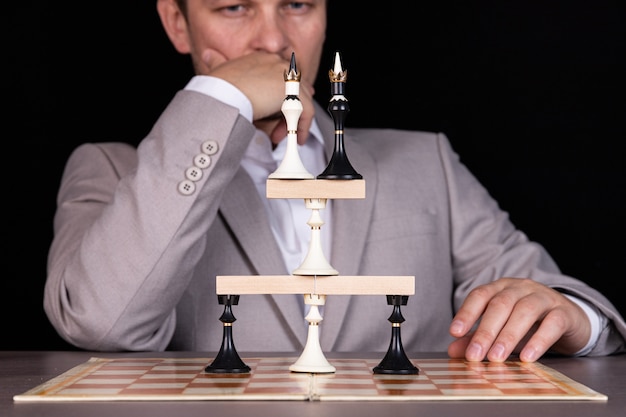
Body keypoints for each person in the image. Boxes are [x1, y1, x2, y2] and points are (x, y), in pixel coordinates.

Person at [44, 0, 626, 363]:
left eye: (297, 4)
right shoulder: (110, 170)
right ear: (177, 22)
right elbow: (104, 324)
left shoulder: (427, 162)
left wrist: (575, 318)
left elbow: (544, 291)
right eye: (233, 8)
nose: (272, 42)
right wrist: (221, 98)